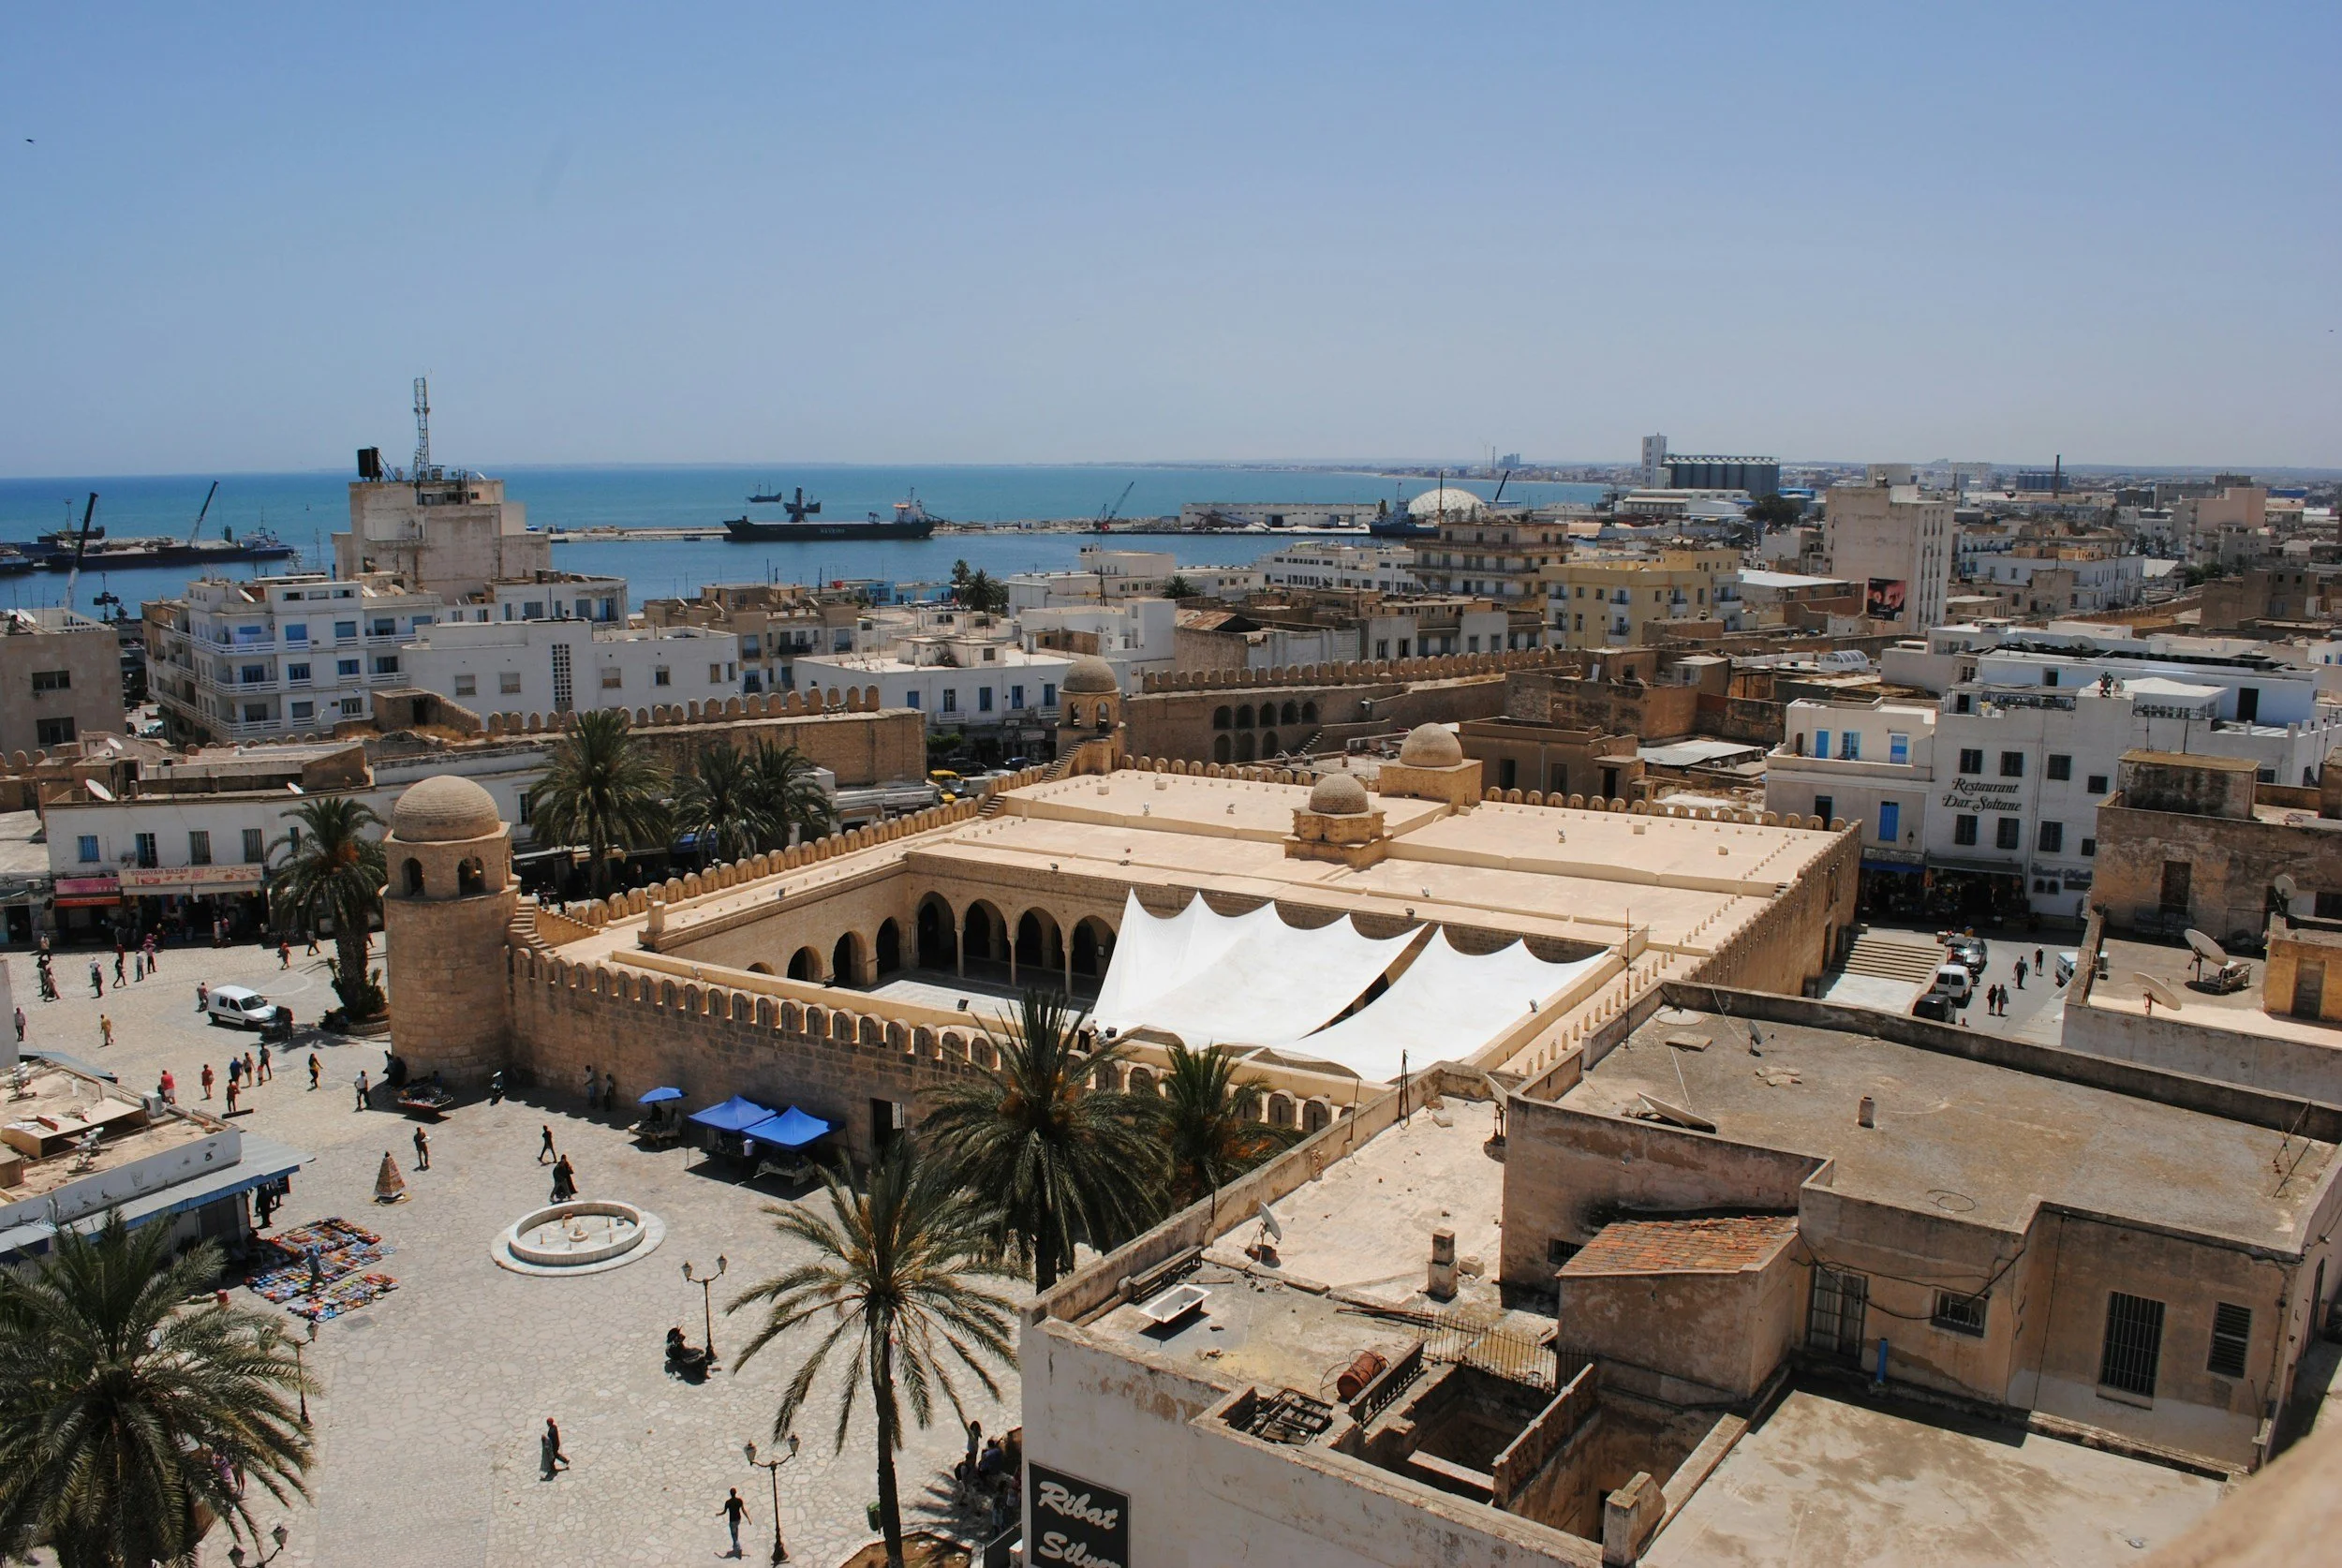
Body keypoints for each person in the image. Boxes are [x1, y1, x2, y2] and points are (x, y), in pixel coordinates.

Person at [720, 1487, 748, 1557]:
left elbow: (724, 1512)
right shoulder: (739, 1501)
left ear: (730, 1493)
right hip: (738, 1519)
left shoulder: (728, 1502)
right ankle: (735, 1544)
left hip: (732, 1520)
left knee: (733, 1535)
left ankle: (738, 1546)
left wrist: (719, 1514)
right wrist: (748, 1518)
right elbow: (743, 1510)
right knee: (736, 1530)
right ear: (735, 1493)